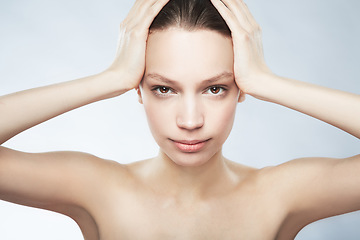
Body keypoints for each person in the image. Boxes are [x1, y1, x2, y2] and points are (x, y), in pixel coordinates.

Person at [0, 0, 359, 239]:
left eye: (215, 89)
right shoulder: (95, 188)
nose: (190, 120)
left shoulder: (281, 195)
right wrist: (109, 79)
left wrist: (267, 81)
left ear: (241, 88)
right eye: (164, 89)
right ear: (137, 88)